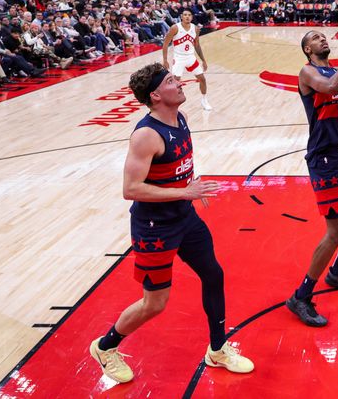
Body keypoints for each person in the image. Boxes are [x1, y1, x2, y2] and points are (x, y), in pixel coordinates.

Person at [89, 63, 253, 383]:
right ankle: (105, 347)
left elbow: (179, 161)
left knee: (213, 273)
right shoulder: (145, 135)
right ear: (155, 95)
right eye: (171, 80)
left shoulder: (181, 118)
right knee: (156, 303)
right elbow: (130, 189)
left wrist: (191, 181)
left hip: (184, 216)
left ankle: (217, 350)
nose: (180, 82)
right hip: (154, 227)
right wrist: (185, 190)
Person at [286, 30, 338, 326]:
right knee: (337, 229)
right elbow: (330, 85)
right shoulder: (308, 73)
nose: (322, 39)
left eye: (324, 36)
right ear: (307, 48)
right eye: (315, 37)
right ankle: (301, 295)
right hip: (324, 157)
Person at [162, 10, 212, 111]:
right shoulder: (175, 28)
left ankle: (204, 100)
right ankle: (172, 103)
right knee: (175, 82)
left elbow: (197, 45)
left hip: (191, 57)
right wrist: (165, 60)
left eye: (189, 15)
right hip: (179, 58)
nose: (187, 17)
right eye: (185, 15)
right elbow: (165, 44)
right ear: (181, 16)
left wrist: (203, 60)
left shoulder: (195, 28)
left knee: (202, 79)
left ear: (192, 17)